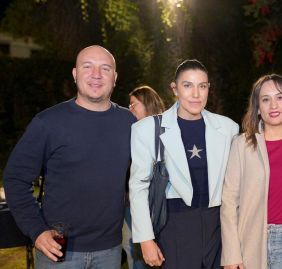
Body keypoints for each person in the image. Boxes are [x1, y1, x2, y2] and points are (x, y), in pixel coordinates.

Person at [3, 45, 136, 267]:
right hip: (59, 252)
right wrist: (37, 231)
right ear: (75, 75)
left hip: (110, 252)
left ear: (115, 77)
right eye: (87, 67)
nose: (96, 74)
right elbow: (16, 178)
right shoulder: (48, 123)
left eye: (105, 68)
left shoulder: (129, 123)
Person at [129, 59, 239, 268]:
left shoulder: (228, 128)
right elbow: (138, 186)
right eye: (187, 85)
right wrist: (145, 239)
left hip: (217, 226)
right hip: (174, 226)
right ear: (175, 88)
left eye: (202, 86)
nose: (196, 94)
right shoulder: (147, 129)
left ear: (208, 89)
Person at [221, 74, 282, 269]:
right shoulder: (241, 145)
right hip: (252, 241)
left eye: (280, 97)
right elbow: (228, 202)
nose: (273, 105)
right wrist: (231, 254)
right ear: (258, 109)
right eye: (265, 99)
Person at [123, 85, 166, 269]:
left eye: (134, 104)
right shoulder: (130, 131)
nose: (130, 109)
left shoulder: (165, 130)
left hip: (157, 205)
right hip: (130, 204)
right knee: (134, 251)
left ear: (147, 104)